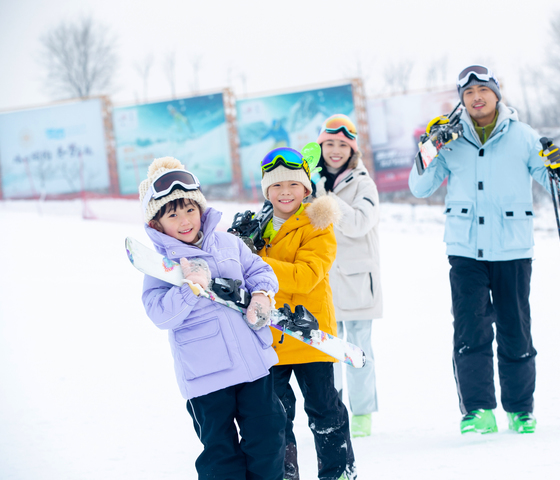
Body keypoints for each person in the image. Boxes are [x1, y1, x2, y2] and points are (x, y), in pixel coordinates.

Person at [408, 65, 560, 435]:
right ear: (461, 100)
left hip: (512, 249)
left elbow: (557, 186)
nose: (476, 97)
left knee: (516, 330)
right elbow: (419, 187)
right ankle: (478, 411)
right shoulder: (449, 139)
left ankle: (520, 410)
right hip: (465, 250)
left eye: (483, 89)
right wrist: (430, 146)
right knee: (470, 331)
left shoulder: (524, 136)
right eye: (468, 93)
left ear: (497, 94)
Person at [139, 156, 286, 480]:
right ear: (157, 224)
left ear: (201, 209)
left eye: (190, 210)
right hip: (206, 377)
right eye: (173, 215)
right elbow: (159, 314)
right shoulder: (161, 266)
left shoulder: (228, 243)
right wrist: (189, 289)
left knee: (268, 439)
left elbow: (259, 271)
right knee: (221, 456)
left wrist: (262, 295)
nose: (185, 221)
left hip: (253, 365)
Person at [256, 147, 356, 480]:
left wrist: (255, 264)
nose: (285, 192)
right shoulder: (258, 227)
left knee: (324, 409)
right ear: (266, 191)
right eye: (276, 185)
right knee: (276, 416)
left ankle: (338, 471)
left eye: (293, 185)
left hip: (311, 334)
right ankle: (285, 473)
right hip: (271, 336)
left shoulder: (318, 223)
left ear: (306, 188)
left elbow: (306, 276)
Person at [313, 114, 382, 438]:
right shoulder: (310, 182)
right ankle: (333, 412)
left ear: (352, 149)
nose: (335, 150)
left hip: (356, 282)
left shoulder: (363, 184)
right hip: (322, 280)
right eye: (329, 144)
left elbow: (358, 223)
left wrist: (325, 195)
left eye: (342, 144)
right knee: (327, 352)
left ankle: (363, 413)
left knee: (358, 351)